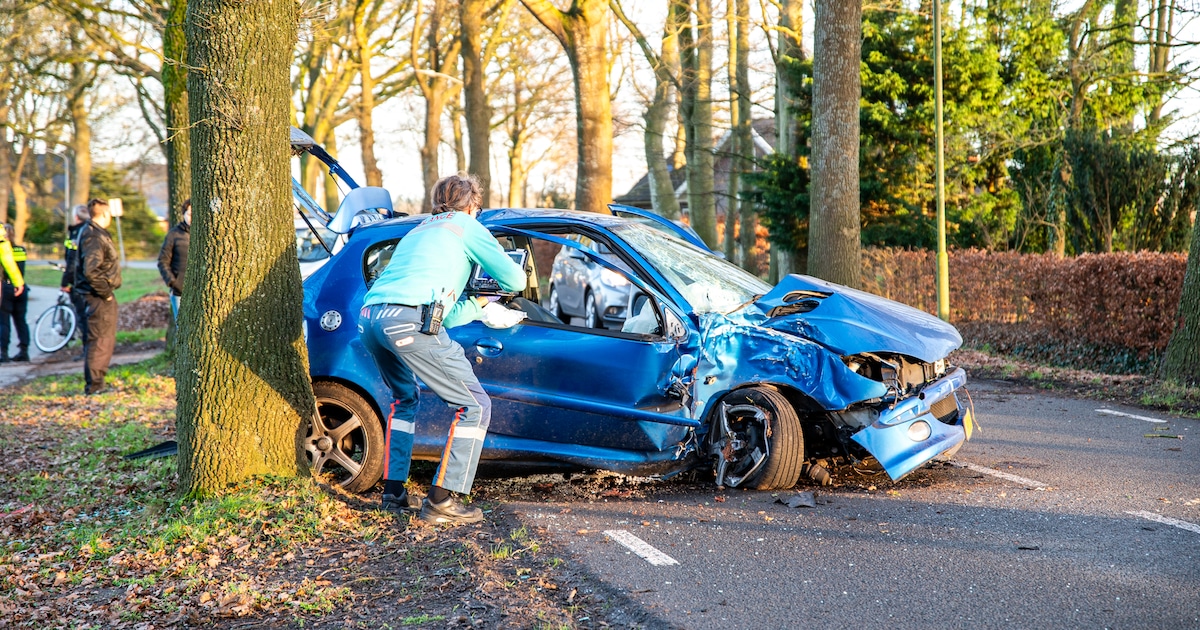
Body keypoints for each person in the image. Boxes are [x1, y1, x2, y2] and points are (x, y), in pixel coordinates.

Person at [359, 172, 527, 525]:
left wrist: (480, 306)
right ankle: (442, 501)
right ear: (473, 204)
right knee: (475, 405)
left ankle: (393, 495)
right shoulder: (466, 226)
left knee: (405, 401)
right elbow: (516, 280)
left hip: (372, 317)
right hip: (408, 321)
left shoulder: (418, 230)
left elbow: (442, 319)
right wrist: (494, 291)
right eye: (477, 207)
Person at [74, 199, 122, 395]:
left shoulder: (95, 233)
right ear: (103, 214)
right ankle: (94, 386)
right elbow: (91, 271)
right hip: (97, 296)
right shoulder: (93, 236)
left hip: (99, 295)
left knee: (104, 339)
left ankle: (97, 382)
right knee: (100, 340)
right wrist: (105, 293)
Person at [61, 204, 90, 350]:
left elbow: (72, 261)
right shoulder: (89, 230)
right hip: (87, 279)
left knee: (82, 317)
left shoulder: (76, 233)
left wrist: (65, 282)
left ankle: (87, 350)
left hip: (79, 281)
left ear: (76, 217)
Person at [157, 199, 191, 319]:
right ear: (184, 214)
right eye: (189, 214)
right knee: (181, 328)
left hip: (200, 292)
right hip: (179, 293)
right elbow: (162, 261)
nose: (192, 218)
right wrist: (173, 282)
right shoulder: (173, 234)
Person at [0, 223, 26, 362]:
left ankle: (3, 353)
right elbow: (14, 264)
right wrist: (19, 282)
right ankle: (24, 350)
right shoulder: (20, 250)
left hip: (5, 286)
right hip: (16, 286)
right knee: (20, 320)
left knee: (3, 321)